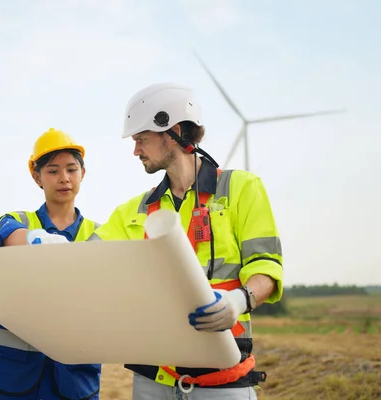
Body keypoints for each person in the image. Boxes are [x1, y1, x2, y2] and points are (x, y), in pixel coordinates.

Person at [88, 83, 284, 399]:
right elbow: (87, 259)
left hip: (223, 375)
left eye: (141, 139)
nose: (136, 150)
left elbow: (266, 266)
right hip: (152, 379)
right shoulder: (134, 210)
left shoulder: (242, 189)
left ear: (174, 132)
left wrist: (239, 301)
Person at [0, 128, 102, 400]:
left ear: (82, 174)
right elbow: (8, 235)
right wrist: (37, 239)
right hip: (12, 372)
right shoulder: (19, 221)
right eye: (52, 171)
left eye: (71, 169)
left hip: (72, 373)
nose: (64, 178)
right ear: (37, 177)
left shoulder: (99, 233)